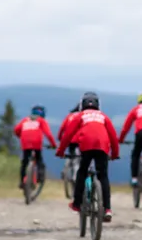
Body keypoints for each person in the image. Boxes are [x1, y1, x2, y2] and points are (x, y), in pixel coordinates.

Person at [56, 92, 119, 222]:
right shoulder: (103, 116)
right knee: (103, 176)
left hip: (86, 146)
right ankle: (107, 209)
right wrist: (115, 154)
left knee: (82, 172)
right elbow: (113, 136)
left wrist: (60, 151)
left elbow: (68, 135)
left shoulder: (80, 116)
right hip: (102, 146)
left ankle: (76, 204)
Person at [14, 105, 57, 189]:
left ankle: (22, 181)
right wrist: (53, 145)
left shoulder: (25, 119)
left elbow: (16, 130)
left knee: (24, 162)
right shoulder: (41, 120)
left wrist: (21, 136)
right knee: (39, 160)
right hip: (36, 142)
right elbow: (48, 134)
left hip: (25, 142)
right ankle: (40, 177)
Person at [58, 102, 82, 184]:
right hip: (81, 140)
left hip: (70, 140)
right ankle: (76, 175)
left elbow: (62, 128)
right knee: (79, 158)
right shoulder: (83, 116)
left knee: (72, 155)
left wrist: (60, 138)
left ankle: (66, 169)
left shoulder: (69, 116)